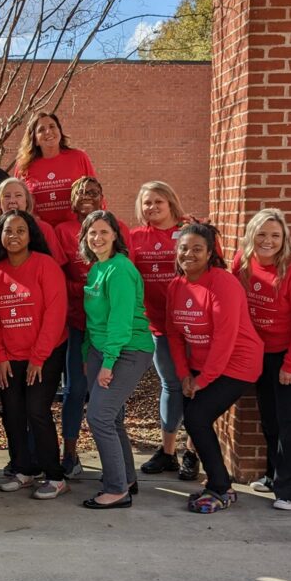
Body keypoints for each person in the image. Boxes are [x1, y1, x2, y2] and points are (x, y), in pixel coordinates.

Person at [232, 209, 291, 510]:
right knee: (271, 417)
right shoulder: (242, 262)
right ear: (251, 235)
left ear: (284, 237)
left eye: (275, 235)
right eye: (261, 234)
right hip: (265, 351)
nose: (268, 241)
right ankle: (275, 475)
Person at [166, 223, 263, 514]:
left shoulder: (223, 283)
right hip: (199, 366)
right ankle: (219, 483)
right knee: (195, 418)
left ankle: (220, 487)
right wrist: (184, 374)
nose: (189, 254)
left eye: (197, 249)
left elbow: (225, 337)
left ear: (210, 253)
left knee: (197, 416)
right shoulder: (176, 286)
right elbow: (173, 334)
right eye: (184, 248)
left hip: (238, 364)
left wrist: (203, 379)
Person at [0, 210, 70, 499]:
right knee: (13, 412)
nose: (14, 236)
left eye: (20, 230)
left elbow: (55, 314)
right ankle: (24, 470)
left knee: (36, 410)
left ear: (31, 234)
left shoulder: (46, 265)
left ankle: (55, 476)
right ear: (0, 236)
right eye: (8, 231)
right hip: (10, 355)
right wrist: (0, 356)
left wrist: (39, 357)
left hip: (45, 353)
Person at [53, 176, 131, 476]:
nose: (87, 196)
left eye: (93, 192)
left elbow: (125, 272)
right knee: (75, 389)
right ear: (71, 199)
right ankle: (70, 455)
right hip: (78, 323)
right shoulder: (63, 231)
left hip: (112, 326)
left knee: (111, 391)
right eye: (81, 193)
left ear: (103, 197)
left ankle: (118, 460)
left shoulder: (118, 227)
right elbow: (59, 279)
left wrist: (93, 286)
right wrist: (88, 288)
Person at [79, 211, 154, 510]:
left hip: (127, 350)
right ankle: (126, 478)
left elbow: (120, 322)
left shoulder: (119, 269)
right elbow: (93, 320)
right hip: (100, 350)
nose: (97, 238)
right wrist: (89, 354)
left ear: (115, 236)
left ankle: (116, 490)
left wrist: (109, 362)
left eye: (103, 232)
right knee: (113, 418)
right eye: (91, 233)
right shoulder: (97, 268)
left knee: (98, 416)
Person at [130, 181, 199, 480]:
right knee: (170, 386)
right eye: (147, 202)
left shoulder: (190, 231)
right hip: (158, 325)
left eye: (158, 201)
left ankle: (192, 453)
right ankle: (168, 452)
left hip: (193, 325)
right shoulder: (134, 238)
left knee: (196, 387)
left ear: (171, 202)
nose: (152, 207)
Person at [15, 111, 95, 227]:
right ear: (35, 140)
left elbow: (95, 194)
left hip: (74, 231)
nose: (48, 131)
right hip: (41, 232)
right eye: (41, 130)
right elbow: (18, 202)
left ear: (60, 131)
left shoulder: (78, 157)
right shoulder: (23, 166)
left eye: (52, 126)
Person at [0, 178, 66, 264]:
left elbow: (58, 266)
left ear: (27, 202)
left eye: (18, 195)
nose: (12, 201)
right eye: (7, 196)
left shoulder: (44, 229)